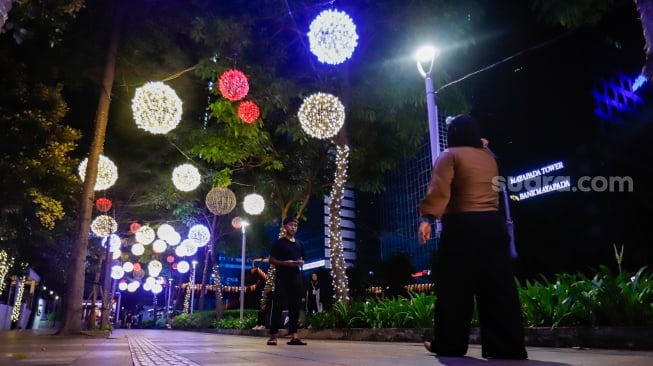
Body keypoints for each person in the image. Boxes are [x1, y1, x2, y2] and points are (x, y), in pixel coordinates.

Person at [418, 114, 527, 360]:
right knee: (498, 288)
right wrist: (483, 144)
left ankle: (449, 344)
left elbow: (439, 189)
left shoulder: (450, 156)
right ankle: (507, 347)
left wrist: (426, 218)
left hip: (462, 226)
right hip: (493, 225)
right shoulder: (490, 158)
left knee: (454, 289)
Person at [266, 216, 307, 346]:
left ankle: (294, 336)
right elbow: (271, 260)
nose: (293, 227)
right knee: (277, 306)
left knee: (295, 307)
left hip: (296, 277)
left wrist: (299, 262)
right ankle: (273, 336)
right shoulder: (279, 243)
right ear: (284, 227)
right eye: (290, 225)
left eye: (295, 225)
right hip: (282, 278)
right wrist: (286, 263)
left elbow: (302, 259)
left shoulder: (300, 244)